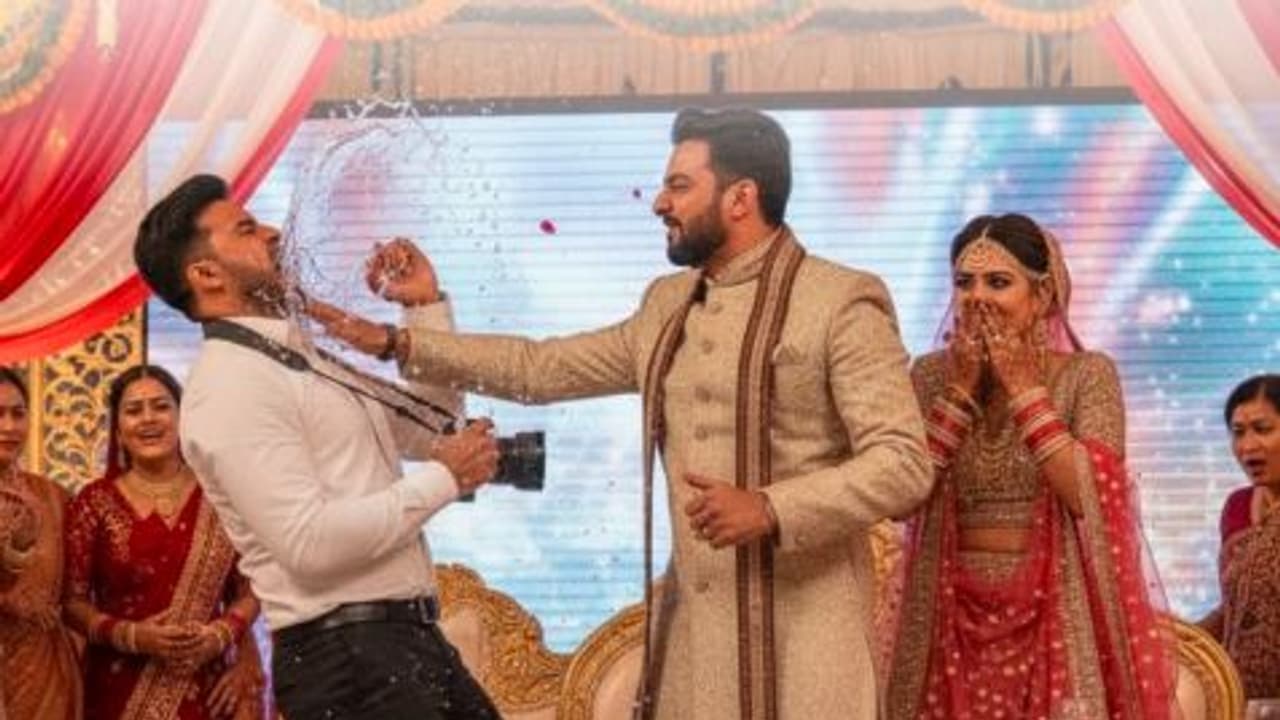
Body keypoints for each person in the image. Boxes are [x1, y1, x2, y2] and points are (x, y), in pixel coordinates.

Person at [312, 107, 932, 720]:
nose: (661, 203)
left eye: (680, 186)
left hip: (809, 649)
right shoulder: (668, 305)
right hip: (697, 658)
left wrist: (770, 507)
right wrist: (401, 339)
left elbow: (904, 463)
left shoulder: (838, 300)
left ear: (741, 198)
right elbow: (539, 368)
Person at [131, 174, 504, 720]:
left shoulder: (300, 358)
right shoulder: (229, 387)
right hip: (351, 663)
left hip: (403, 644)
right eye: (247, 229)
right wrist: (445, 479)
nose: (273, 233)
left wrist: (423, 309)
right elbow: (309, 546)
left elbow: (437, 429)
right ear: (207, 274)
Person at [883, 213, 1177, 719]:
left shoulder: (1088, 375)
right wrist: (959, 393)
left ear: (1042, 296)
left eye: (998, 282)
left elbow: (1089, 495)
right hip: (947, 615)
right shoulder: (931, 376)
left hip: (1055, 614)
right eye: (964, 282)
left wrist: (1023, 387)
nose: (977, 297)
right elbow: (903, 499)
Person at [65, 364, 266, 719]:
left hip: (210, 688)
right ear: (118, 430)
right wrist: (131, 636)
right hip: (119, 688)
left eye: (161, 406)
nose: (148, 419)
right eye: (133, 410)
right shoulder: (94, 502)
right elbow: (71, 602)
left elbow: (252, 588)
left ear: (182, 417)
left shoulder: (220, 494)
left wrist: (221, 635)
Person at [0, 366, 82, 719]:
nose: (9, 426)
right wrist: (8, 602)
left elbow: (80, 591)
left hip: (43, 669)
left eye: (18, 414)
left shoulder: (53, 498)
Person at [1199, 374, 1280, 699]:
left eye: (1263, 429)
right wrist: (1182, 637)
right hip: (1241, 701)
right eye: (1238, 432)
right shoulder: (1237, 507)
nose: (1247, 446)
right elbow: (1238, 610)